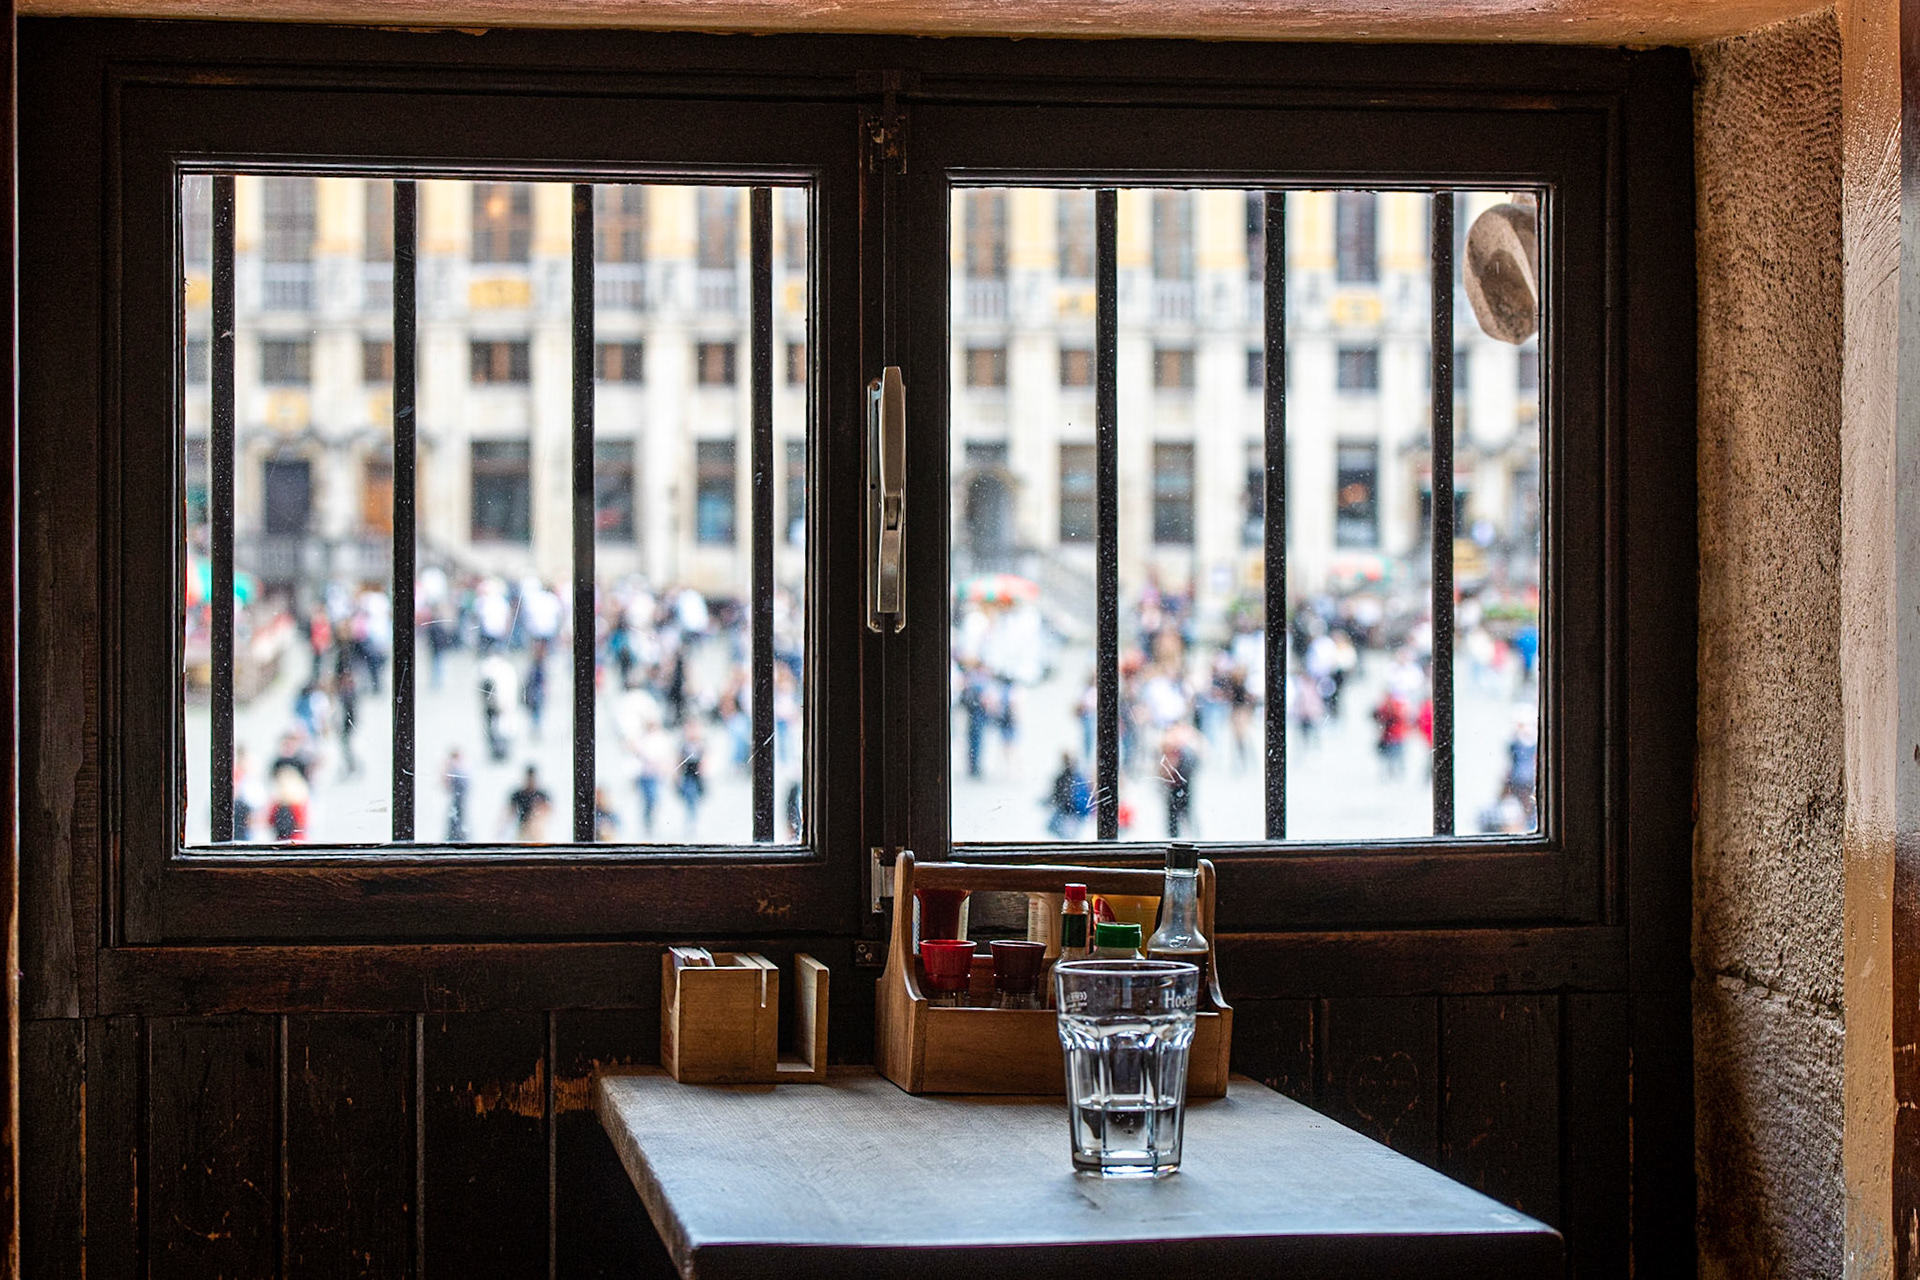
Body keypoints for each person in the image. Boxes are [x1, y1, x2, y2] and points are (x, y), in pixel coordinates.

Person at [1160, 722, 1199, 839]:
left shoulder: (1186, 745)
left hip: (1182, 782)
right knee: (1174, 816)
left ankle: (1190, 835)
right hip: (1174, 784)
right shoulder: (1169, 745)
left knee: (1185, 812)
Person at [1046, 753, 1091, 840]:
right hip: (1073, 811)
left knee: (1060, 832)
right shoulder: (1078, 777)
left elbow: (1060, 795)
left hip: (1069, 810)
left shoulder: (1067, 778)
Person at [506, 766, 552, 843]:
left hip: (536, 830)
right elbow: (509, 812)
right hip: (522, 829)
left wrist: (537, 813)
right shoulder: (519, 795)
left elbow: (548, 811)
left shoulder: (541, 795)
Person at [444, 749, 470, 843]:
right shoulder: (455, 770)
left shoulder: (461, 770)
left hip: (460, 800)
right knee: (456, 820)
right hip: (457, 800)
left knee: (459, 819)